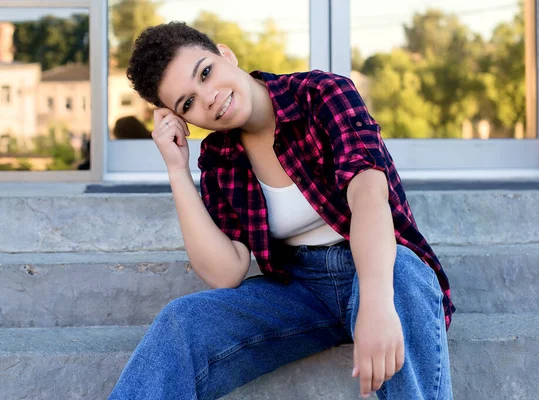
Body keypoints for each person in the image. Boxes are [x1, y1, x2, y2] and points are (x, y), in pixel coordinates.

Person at [108, 21, 455, 400]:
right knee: (180, 322)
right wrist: (177, 169)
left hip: (380, 270)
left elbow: (370, 196)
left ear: (226, 54)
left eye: (206, 72)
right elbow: (226, 272)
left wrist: (376, 303)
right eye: (187, 103)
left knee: (402, 272)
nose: (207, 98)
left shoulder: (321, 94)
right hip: (301, 290)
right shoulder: (219, 156)